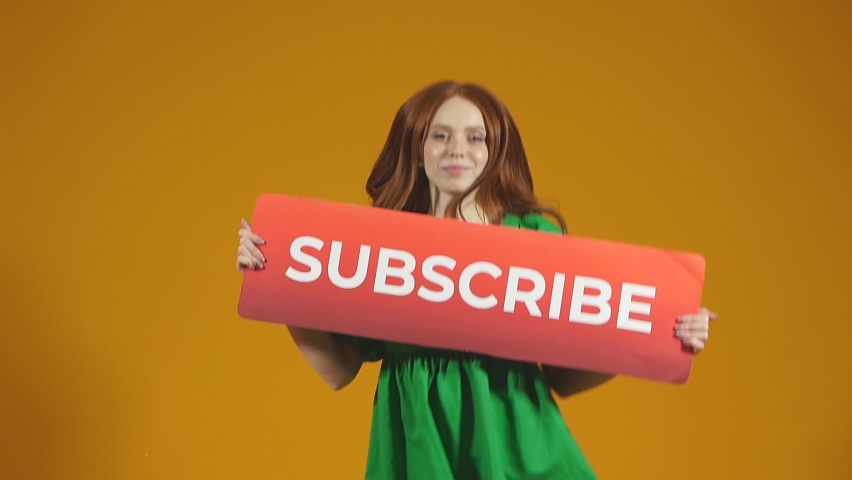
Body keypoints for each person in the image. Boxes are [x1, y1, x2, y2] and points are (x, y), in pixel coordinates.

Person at [234, 80, 718, 479]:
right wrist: (277, 286)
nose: (457, 150)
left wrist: (655, 335)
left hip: (519, 452)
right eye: (440, 135)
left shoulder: (534, 237)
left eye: (476, 136)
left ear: (496, 149)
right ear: (416, 145)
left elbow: (566, 378)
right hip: (417, 453)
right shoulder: (380, 243)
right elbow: (338, 371)